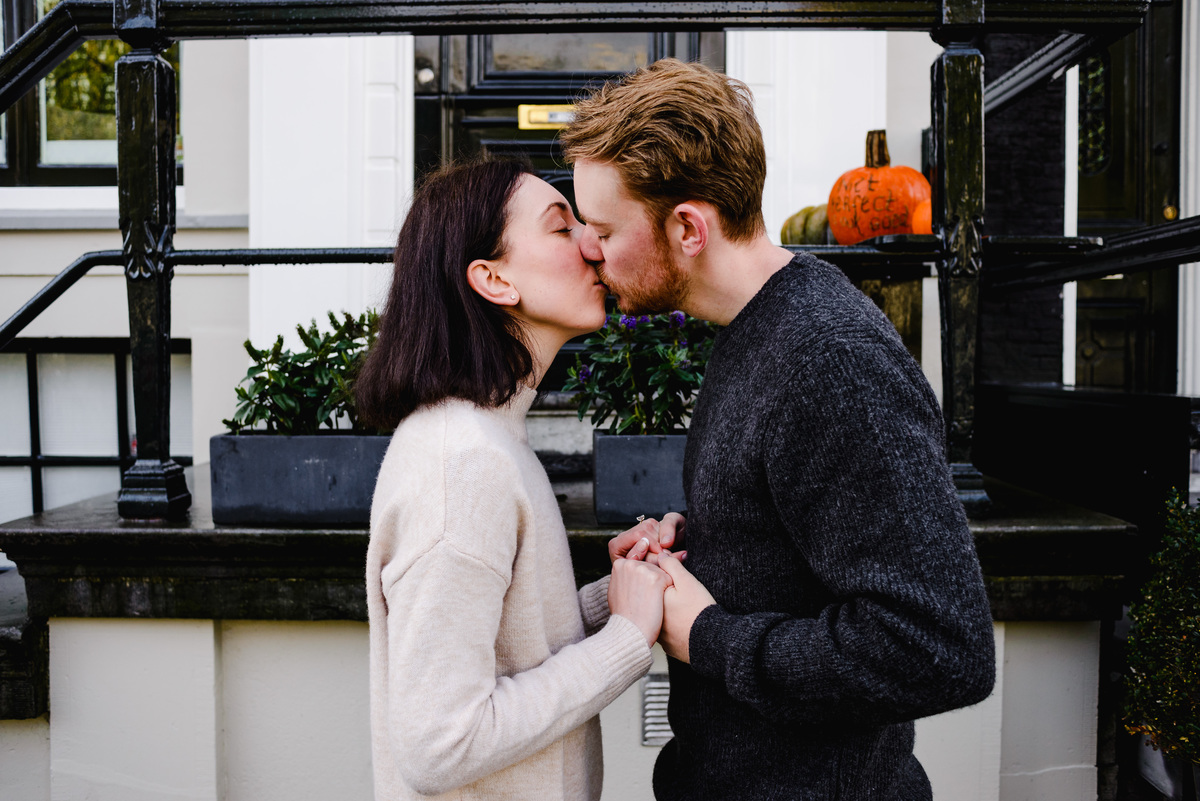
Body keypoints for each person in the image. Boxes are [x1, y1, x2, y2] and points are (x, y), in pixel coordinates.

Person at [561, 59, 997, 800]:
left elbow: (938, 647)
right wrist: (701, 548)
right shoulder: (753, 330)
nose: (588, 249)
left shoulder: (832, 362)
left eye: (603, 228)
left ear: (688, 227)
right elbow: (801, 544)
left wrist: (708, 636)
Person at [356, 159, 674, 801]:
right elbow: (440, 744)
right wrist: (625, 641)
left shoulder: (490, 436)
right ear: (493, 279)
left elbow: (507, 638)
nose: (592, 242)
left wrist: (611, 595)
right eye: (561, 228)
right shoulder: (462, 464)